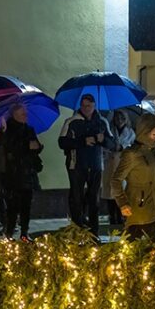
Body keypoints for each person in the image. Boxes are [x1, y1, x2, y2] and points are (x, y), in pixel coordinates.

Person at [112, 113, 155, 241]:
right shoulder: (132, 154)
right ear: (144, 132)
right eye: (153, 134)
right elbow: (116, 180)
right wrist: (123, 203)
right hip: (137, 210)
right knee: (133, 248)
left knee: (154, 249)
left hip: (154, 208)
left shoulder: (152, 152)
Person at [58, 93, 113, 235]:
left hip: (96, 164)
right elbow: (62, 142)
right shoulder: (71, 121)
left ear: (94, 106)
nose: (86, 108)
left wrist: (102, 140)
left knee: (94, 198)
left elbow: (112, 143)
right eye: (83, 105)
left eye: (89, 105)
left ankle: (94, 232)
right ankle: (78, 228)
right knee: (77, 197)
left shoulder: (102, 122)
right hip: (76, 164)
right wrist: (82, 141)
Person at [0, 103, 43, 240]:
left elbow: (34, 147)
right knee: (13, 206)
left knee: (26, 205)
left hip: (28, 172)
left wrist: (37, 147)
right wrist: (27, 146)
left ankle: (24, 232)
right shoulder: (8, 129)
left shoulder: (29, 129)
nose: (26, 116)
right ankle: (9, 232)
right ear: (15, 115)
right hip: (13, 174)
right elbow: (9, 149)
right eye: (23, 114)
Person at [101, 109, 135, 228]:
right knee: (110, 191)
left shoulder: (130, 132)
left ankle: (123, 216)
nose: (119, 121)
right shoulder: (109, 131)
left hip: (123, 163)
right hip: (110, 163)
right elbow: (104, 146)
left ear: (126, 120)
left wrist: (122, 147)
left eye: (122, 118)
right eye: (117, 118)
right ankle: (112, 216)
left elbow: (132, 147)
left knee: (122, 192)